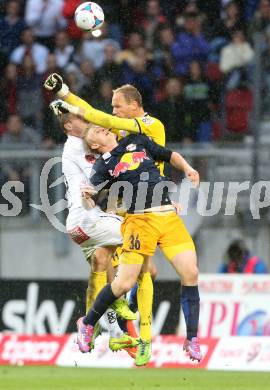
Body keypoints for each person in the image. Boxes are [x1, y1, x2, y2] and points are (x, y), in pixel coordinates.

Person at [50, 99, 202, 366]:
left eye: (103, 126)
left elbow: (169, 155)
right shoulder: (103, 166)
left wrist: (188, 169)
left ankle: (191, 339)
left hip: (167, 217)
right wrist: (88, 197)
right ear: (94, 145)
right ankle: (91, 323)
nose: (103, 127)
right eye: (97, 131)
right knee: (124, 282)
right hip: (139, 223)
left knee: (191, 274)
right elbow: (94, 199)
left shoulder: (137, 142)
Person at [54, 110, 138, 355]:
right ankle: (115, 305)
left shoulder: (81, 145)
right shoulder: (75, 148)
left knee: (103, 260)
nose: (89, 123)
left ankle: (113, 333)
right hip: (87, 220)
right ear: (69, 125)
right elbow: (104, 175)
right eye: (82, 120)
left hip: (83, 223)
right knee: (140, 237)